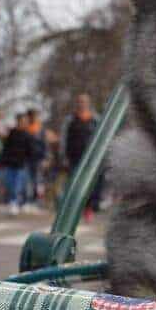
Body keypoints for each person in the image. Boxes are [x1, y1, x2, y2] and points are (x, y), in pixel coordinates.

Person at [61, 93, 100, 221]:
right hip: (74, 157)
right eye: (79, 101)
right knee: (74, 184)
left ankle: (89, 209)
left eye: (84, 102)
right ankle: (73, 212)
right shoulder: (70, 119)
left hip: (90, 157)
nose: (81, 104)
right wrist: (63, 155)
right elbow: (64, 138)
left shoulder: (96, 120)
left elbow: (100, 138)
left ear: (88, 103)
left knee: (89, 184)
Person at [0, 113, 32, 215]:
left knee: (19, 185)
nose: (24, 123)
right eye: (22, 121)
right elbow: (6, 148)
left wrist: (30, 159)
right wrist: (3, 160)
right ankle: (15, 202)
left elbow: (31, 151)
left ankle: (16, 203)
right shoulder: (12, 134)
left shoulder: (28, 135)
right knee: (10, 184)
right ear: (18, 122)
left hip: (21, 165)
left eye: (26, 121)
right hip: (10, 163)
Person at [25, 108, 46, 211]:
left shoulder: (40, 128)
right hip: (26, 158)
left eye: (35, 115)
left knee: (37, 180)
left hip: (38, 158)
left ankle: (37, 201)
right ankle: (27, 201)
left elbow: (44, 144)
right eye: (31, 116)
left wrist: (45, 158)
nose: (33, 118)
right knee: (27, 180)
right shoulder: (25, 128)